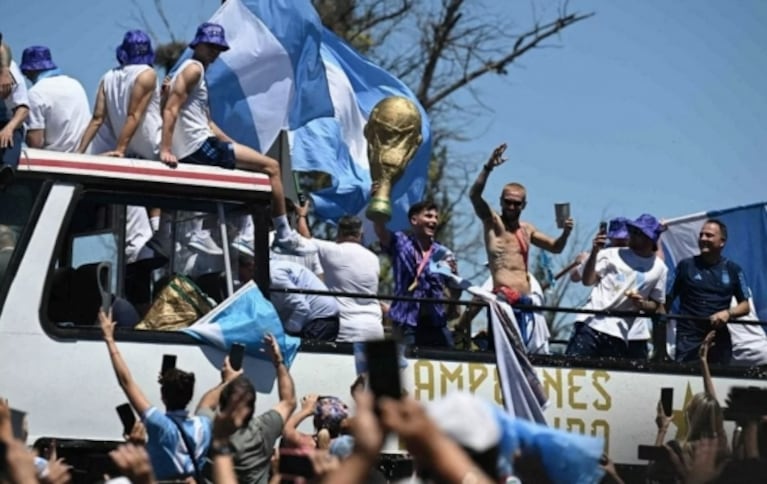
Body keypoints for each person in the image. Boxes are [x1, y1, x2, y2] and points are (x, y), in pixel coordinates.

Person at [160, 22, 304, 255]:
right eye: (210, 46)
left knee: (248, 174)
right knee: (272, 168)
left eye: (218, 48)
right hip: (199, 146)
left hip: (200, 143)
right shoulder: (193, 69)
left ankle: (235, 232)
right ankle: (282, 233)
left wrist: (232, 144)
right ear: (198, 44)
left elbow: (206, 122)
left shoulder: (187, 71)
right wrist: (165, 149)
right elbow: (171, 110)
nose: (215, 52)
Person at [469, 143, 573, 345]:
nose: (511, 206)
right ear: (500, 201)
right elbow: (474, 195)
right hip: (503, 301)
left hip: (526, 304)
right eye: (507, 201)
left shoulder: (527, 229)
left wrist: (566, 233)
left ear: (524, 205)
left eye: (516, 203)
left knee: (526, 354)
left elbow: (556, 247)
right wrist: (488, 167)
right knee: (504, 354)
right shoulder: (493, 223)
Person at [98, 309, 213, 480]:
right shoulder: (205, 425)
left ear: (163, 396)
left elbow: (126, 381)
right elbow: (209, 401)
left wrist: (109, 339)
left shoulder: (160, 425)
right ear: (189, 396)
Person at [196, 334, 297, 484]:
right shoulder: (263, 430)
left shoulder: (211, 428)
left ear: (222, 403)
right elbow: (289, 401)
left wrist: (227, 381)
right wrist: (279, 361)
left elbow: (205, 405)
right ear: (251, 407)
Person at [566, 214, 668, 359]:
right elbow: (586, 281)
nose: (632, 235)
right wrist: (594, 253)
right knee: (575, 367)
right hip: (590, 324)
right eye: (632, 231)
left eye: (638, 233)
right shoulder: (609, 254)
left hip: (620, 332)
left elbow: (657, 305)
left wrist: (642, 304)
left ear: (650, 238)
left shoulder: (660, 268)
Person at [373, 200, 461, 348]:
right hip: (407, 321)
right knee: (407, 367)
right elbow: (380, 230)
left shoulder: (443, 252)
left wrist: (454, 279)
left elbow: (455, 290)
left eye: (435, 217)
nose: (433, 221)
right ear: (414, 220)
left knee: (449, 359)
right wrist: (378, 201)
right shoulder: (401, 242)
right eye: (428, 216)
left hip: (436, 322)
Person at [666, 219, 751, 364]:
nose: (703, 238)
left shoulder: (733, 269)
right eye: (701, 235)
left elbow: (745, 306)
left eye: (709, 235)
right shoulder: (685, 265)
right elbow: (666, 301)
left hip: (718, 339)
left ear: (722, 241)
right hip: (688, 339)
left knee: (718, 383)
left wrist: (727, 313)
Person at [296, 209, 384, 342]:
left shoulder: (332, 250)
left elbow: (305, 239)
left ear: (339, 232)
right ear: (361, 233)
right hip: (374, 328)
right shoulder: (374, 258)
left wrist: (302, 215)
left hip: (346, 328)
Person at [77, 30, 161, 161]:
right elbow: (134, 115)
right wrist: (120, 149)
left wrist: (79, 152)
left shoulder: (108, 77)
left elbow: (97, 119)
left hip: (129, 151)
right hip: (151, 151)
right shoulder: (147, 74)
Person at [19, 46, 90, 152]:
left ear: (29, 71)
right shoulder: (75, 84)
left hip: (55, 159)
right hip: (85, 154)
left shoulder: (35, 93)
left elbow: (36, 142)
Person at [269, 259, 341, 341]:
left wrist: (287, 334)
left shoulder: (274, 275)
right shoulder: (272, 270)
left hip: (319, 321)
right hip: (315, 319)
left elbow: (302, 307)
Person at [570, 217, 630, 283]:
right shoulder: (602, 254)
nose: (621, 241)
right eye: (618, 238)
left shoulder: (637, 256)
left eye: (624, 238)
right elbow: (575, 277)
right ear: (610, 238)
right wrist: (586, 260)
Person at [0, 38, 28, 173]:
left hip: (6, 119)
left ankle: (8, 168)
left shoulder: (12, 75)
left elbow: (22, 109)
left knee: (12, 135)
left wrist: (9, 128)